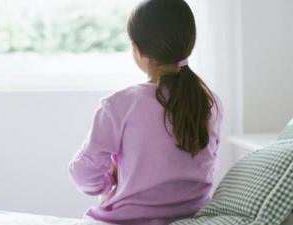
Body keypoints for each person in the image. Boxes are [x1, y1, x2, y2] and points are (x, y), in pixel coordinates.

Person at [69, 0, 223, 224]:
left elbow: (84, 174)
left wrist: (107, 182)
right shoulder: (210, 103)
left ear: (136, 49)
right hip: (193, 216)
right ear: (189, 43)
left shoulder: (119, 104)